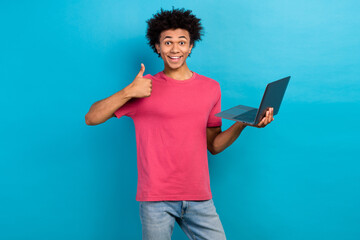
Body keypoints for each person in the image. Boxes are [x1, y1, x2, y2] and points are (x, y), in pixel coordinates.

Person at [85, 7, 274, 240]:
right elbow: (91, 118)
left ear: (191, 45)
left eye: (182, 42)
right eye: (167, 42)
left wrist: (243, 124)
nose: (175, 49)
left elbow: (213, 146)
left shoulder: (211, 88)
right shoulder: (142, 88)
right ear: (157, 47)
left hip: (199, 197)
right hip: (155, 199)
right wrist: (127, 92)